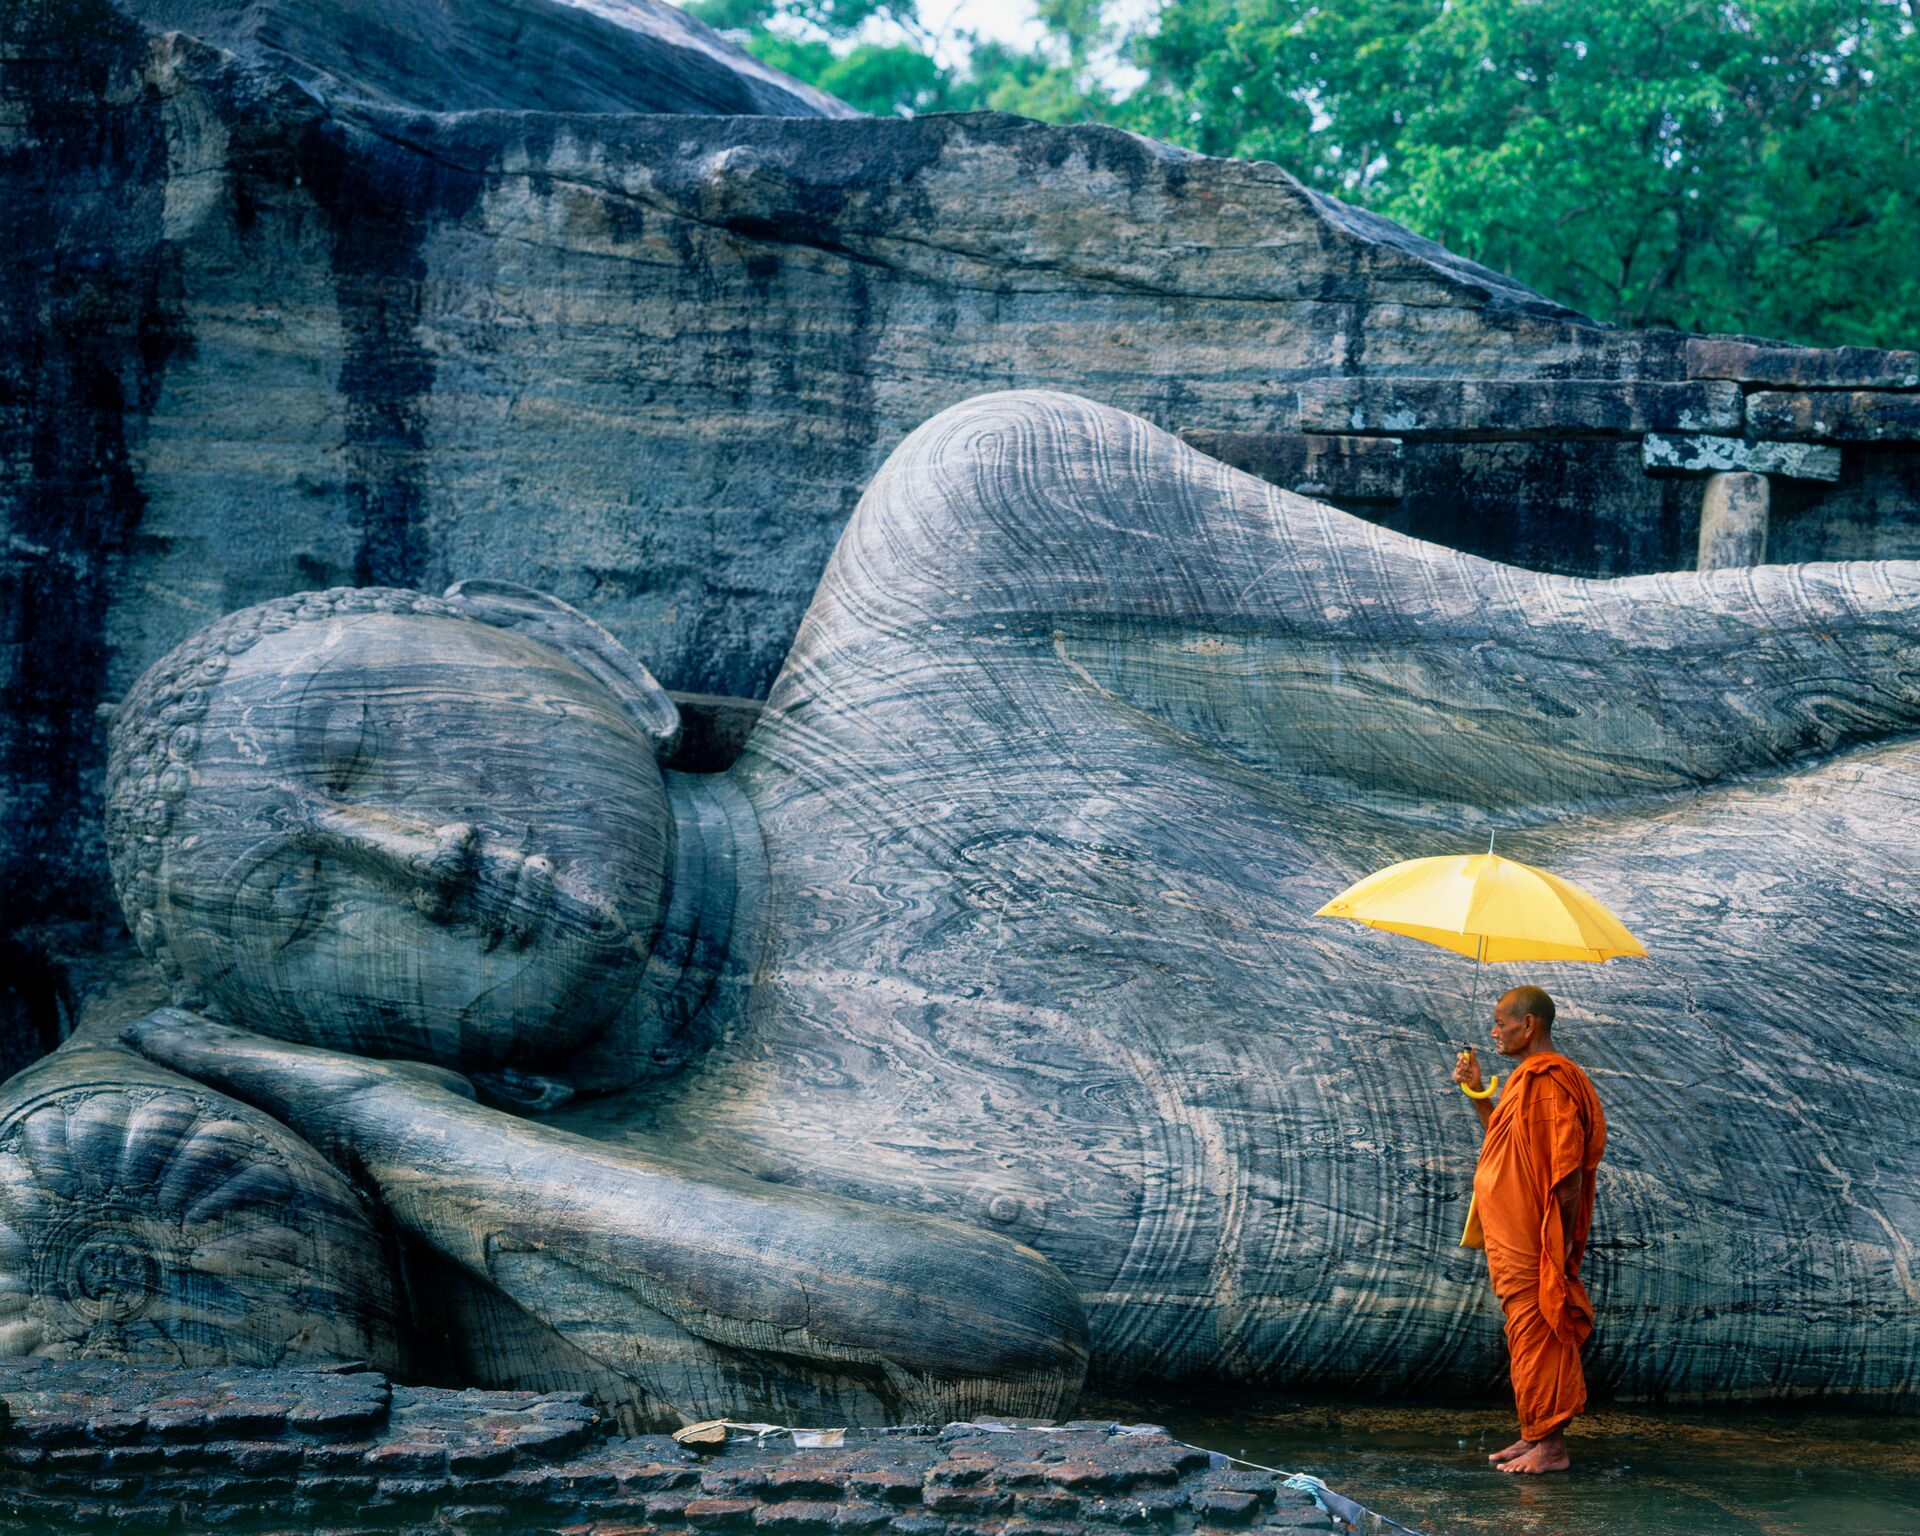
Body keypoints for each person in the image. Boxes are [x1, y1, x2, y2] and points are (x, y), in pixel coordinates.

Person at [1453, 985, 1607, 1475]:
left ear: (1529, 1025)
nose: (1493, 1031)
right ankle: (1533, 1432)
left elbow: (1567, 1173)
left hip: (1535, 1236)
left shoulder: (1549, 1081)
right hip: (1514, 1231)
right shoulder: (1524, 1081)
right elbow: (1506, 1144)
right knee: (1525, 1331)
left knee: (1539, 1329)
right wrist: (1476, 1092)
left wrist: (1554, 1244)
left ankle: (1553, 1448)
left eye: (1500, 1022)